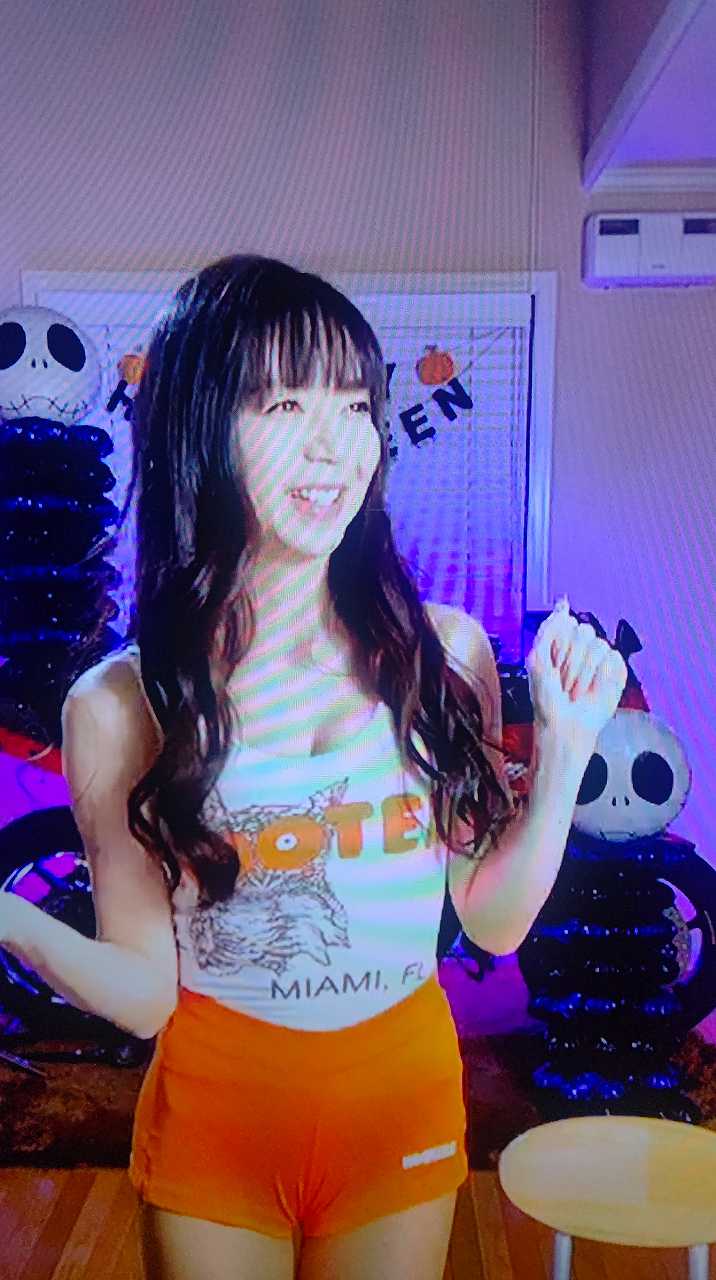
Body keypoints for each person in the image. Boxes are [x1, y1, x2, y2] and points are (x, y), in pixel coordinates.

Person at [6, 254, 626, 1279]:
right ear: (202, 429)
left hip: (398, 1107)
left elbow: (492, 919)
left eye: (354, 404)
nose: (333, 443)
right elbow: (146, 991)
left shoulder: (444, 653)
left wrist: (563, 747)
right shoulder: (119, 704)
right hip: (217, 1121)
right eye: (284, 403)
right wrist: (10, 917)